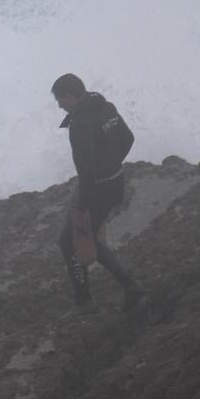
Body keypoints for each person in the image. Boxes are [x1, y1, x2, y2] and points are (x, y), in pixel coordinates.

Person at [51, 73, 143, 311]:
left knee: (71, 240)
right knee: (85, 235)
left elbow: (86, 170)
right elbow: (129, 138)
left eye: (60, 100)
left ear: (71, 96)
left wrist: (82, 204)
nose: (60, 105)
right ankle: (125, 286)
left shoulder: (79, 125)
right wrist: (112, 164)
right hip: (116, 182)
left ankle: (89, 298)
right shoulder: (107, 107)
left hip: (97, 189)